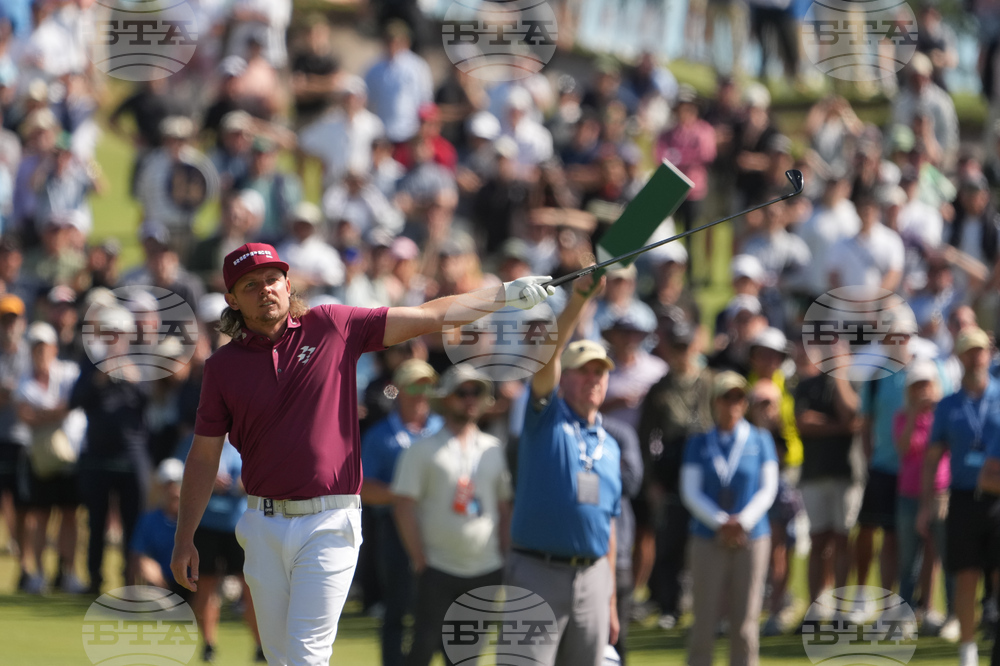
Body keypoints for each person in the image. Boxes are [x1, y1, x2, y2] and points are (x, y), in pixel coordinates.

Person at [171, 242, 554, 665]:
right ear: (232, 299)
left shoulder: (332, 325)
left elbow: (429, 316)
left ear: (287, 283)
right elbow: (204, 457)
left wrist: (502, 295)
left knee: (305, 656)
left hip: (330, 520)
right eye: (250, 285)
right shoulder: (223, 367)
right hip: (261, 524)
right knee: (280, 657)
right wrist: (184, 535)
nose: (265, 290)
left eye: (272, 279)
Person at [507, 272, 622, 666]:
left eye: (600, 372)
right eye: (584, 370)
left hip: (593, 578)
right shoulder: (547, 417)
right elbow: (546, 356)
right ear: (564, 377)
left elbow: (609, 524)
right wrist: (580, 300)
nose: (593, 379)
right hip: (538, 570)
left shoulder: (612, 445)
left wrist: (610, 597)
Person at [391, 364, 513, 666]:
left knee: (465, 658)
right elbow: (403, 504)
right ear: (445, 398)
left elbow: (503, 506)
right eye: (462, 392)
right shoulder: (422, 450)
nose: (470, 398)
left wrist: (506, 555)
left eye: (477, 392)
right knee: (421, 651)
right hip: (437, 568)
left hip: (486, 568)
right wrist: (419, 559)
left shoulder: (494, 448)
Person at [681, 371, 778, 666]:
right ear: (715, 402)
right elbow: (690, 491)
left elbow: (768, 488)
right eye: (727, 397)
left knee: (746, 624)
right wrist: (721, 521)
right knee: (703, 622)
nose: (733, 403)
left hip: (751, 536)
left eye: (739, 397)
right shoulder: (699, 443)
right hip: (708, 536)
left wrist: (742, 522)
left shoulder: (760, 440)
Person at [923, 327, 1000, 666]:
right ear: (959, 355)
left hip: (998, 498)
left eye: (980, 350)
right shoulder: (948, 404)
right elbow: (933, 455)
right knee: (966, 575)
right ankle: (968, 652)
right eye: (969, 350)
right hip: (964, 497)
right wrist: (928, 502)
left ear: (989, 352)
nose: (975, 357)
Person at [361, 359, 443, 666]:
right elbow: (364, 488)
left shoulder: (441, 429)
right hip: (394, 530)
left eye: (427, 385)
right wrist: (403, 497)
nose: (421, 392)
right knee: (396, 608)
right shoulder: (380, 435)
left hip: (438, 530)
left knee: (437, 607)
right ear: (399, 390)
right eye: (413, 385)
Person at [638, 317, 713, 629]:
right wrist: (652, 480)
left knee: (706, 544)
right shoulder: (659, 387)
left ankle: (707, 608)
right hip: (671, 468)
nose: (682, 353)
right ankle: (669, 606)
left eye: (687, 346)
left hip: (706, 465)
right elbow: (646, 436)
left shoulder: (710, 381)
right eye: (677, 347)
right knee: (670, 541)